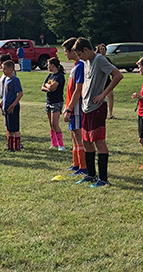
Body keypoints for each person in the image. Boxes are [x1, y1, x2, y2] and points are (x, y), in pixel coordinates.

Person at [72, 37, 123, 188]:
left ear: (86, 50)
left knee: (99, 141)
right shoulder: (85, 62)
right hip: (86, 107)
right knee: (86, 141)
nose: (79, 58)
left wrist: (103, 94)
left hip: (97, 108)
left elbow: (118, 75)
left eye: (80, 54)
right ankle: (91, 175)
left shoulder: (100, 59)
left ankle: (103, 178)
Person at [63, 37, 86, 175]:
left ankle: (83, 166)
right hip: (70, 106)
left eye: (66, 51)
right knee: (73, 135)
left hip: (76, 108)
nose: (65, 54)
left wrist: (70, 108)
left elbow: (78, 90)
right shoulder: (75, 66)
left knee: (78, 136)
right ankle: (76, 163)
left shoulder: (81, 66)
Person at [41, 57, 66, 151]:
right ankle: (54, 143)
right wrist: (48, 87)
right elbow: (43, 87)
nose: (47, 66)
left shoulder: (59, 76)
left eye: (48, 65)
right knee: (51, 124)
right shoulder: (50, 75)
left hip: (57, 102)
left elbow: (53, 87)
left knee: (55, 123)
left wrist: (47, 86)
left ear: (53, 65)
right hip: (49, 101)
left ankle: (61, 145)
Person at [0, 60, 23, 151]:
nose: (3, 71)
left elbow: (20, 93)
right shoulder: (5, 79)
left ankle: (17, 147)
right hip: (6, 106)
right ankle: (10, 146)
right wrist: (2, 102)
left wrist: (13, 105)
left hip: (13, 107)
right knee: (9, 128)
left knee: (15, 127)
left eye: (5, 69)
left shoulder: (15, 80)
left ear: (11, 69)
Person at [96, 44, 116, 119]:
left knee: (111, 96)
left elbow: (114, 71)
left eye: (103, 49)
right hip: (100, 81)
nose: (102, 50)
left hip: (107, 80)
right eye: (101, 49)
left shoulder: (107, 60)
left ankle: (110, 114)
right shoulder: (96, 59)